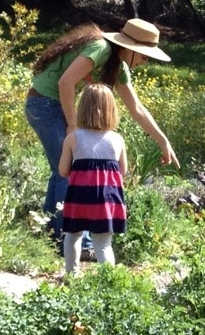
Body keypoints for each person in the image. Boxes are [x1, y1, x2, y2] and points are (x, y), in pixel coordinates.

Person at [25, 18, 180, 244]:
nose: (145, 62)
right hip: (44, 104)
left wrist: (163, 141)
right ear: (130, 47)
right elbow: (65, 83)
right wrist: (73, 125)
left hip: (51, 106)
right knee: (71, 171)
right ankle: (76, 241)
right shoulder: (101, 48)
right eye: (145, 56)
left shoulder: (119, 66)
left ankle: (51, 235)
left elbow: (136, 108)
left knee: (62, 171)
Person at [58, 84, 127, 274]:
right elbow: (123, 170)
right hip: (106, 199)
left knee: (72, 236)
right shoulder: (117, 140)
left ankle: (72, 275)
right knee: (104, 244)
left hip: (79, 197)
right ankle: (108, 282)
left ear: (82, 108)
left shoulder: (73, 138)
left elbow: (63, 171)